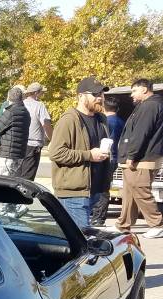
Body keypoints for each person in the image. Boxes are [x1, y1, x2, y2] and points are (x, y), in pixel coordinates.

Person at [48, 77, 112, 228]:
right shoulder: (69, 120)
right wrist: (89, 155)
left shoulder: (101, 119)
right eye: (95, 94)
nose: (99, 98)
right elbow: (56, 153)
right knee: (82, 241)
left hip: (95, 190)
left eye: (101, 94)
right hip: (73, 193)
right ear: (81, 96)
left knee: (80, 240)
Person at [116, 79, 163, 238]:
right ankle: (123, 225)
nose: (131, 95)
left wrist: (131, 155)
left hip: (143, 158)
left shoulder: (150, 106)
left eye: (134, 91)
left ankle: (157, 223)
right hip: (143, 157)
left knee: (140, 189)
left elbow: (141, 133)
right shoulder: (151, 105)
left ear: (144, 89)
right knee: (129, 191)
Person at [90, 95, 126, 228]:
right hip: (115, 157)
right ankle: (97, 215)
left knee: (101, 186)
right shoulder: (121, 121)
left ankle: (98, 217)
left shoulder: (107, 122)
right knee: (103, 185)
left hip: (106, 156)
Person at [0, 85, 30, 177]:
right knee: (14, 180)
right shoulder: (25, 112)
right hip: (20, 152)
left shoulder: (11, 111)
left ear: (9, 98)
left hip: (8, 152)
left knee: (4, 181)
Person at [20, 82, 52, 181]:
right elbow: (46, 124)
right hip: (33, 145)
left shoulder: (20, 104)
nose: (42, 95)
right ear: (36, 93)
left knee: (19, 174)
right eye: (41, 93)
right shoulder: (39, 106)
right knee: (28, 176)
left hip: (20, 143)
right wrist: (53, 139)